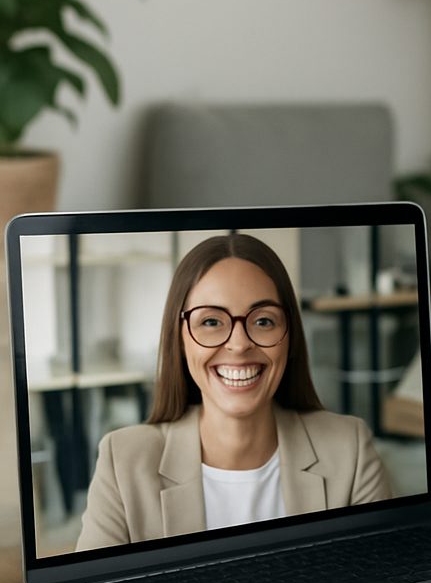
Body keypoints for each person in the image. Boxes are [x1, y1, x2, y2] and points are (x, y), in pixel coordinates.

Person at [77, 233, 391, 550]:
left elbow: (386, 575)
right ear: (180, 340)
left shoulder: (349, 448)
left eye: (263, 321)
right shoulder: (122, 461)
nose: (239, 345)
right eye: (211, 322)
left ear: (290, 336)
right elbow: (93, 581)